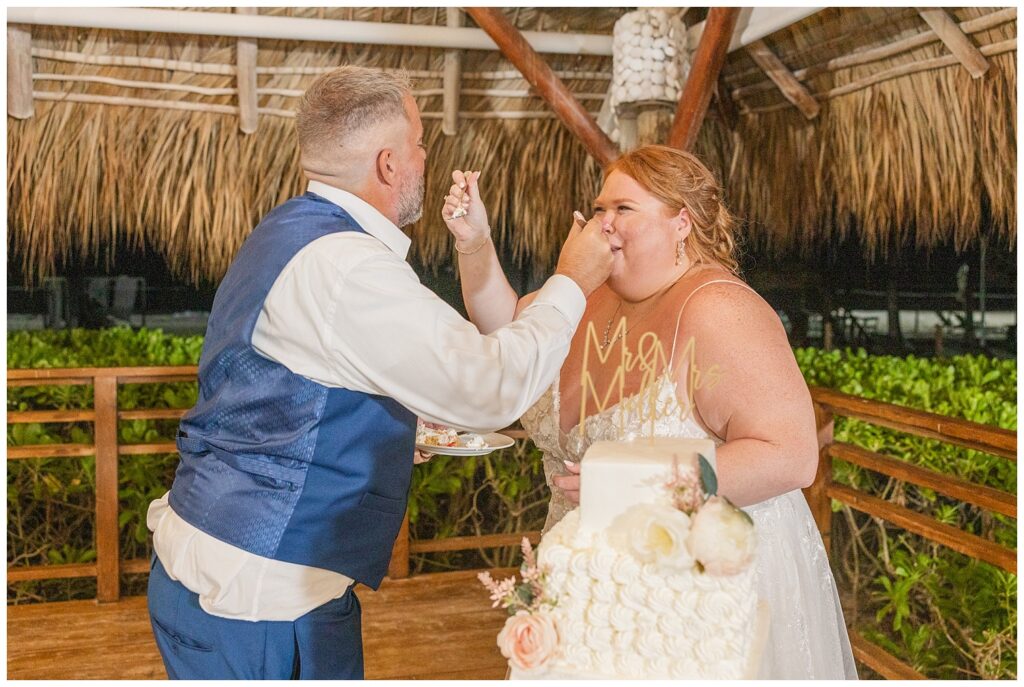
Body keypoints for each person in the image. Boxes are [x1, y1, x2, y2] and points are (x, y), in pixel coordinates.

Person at [145, 66, 613, 680]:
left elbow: (294, 385)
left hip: (207, 562)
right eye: (420, 144)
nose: (425, 157)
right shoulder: (349, 268)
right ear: (390, 164)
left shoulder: (289, 230)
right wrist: (573, 279)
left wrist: (380, 424)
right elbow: (490, 386)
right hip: (261, 598)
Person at [443, 144, 858, 679]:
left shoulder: (720, 309)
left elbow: (791, 456)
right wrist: (475, 245)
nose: (603, 224)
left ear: (681, 222)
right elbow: (508, 332)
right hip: (592, 581)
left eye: (624, 209)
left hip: (695, 587)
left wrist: (627, 487)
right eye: (598, 209)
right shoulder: (587, 296)